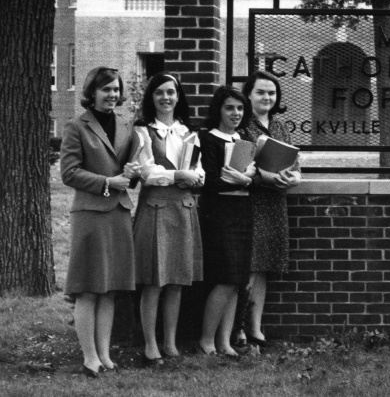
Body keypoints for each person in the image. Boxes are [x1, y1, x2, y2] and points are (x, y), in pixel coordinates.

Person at [60, 66, 136, 377]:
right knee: (88, 289)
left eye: (116, 90)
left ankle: (105, 354)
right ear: (92, 92)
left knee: (110, 289)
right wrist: (108, 182)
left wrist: (134, 173)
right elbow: (69, 173)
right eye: (106, 90)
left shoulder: (125, 124)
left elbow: (129, 166)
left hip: (119, 213)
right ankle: (89, 356)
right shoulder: (77, 126)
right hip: (90, 214)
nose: (113, 95)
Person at [129, 73, 204, 365]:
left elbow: (200, 171)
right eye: (159, 92)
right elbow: (147, 172)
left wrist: (194, 178)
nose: (166, 98)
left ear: (178, 96)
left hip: (184, 208)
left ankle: (170, 342)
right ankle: (150, 344)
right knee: (154, 281)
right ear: (151, 97)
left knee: (176, 280)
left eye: (171, 92)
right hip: (156, 209)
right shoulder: (143, 132)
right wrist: (179, 176)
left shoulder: (189, 132)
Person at [238, 70, 302, 347]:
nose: (267, 97)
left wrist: (293, 179)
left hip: (275, 203)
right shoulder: (241, 125)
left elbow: (295, 166)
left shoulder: (281, 127)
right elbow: (237, 169)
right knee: (248, 266)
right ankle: (238, 328)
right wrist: (267, 178)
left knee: (264, 267)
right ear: (249, 94)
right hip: (250, 202)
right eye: (261, 92)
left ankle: (255, 328)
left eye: (272, 93)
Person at [197, 87, 257, 357]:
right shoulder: (207, 139)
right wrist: (236, 180)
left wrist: (246, 179)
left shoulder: (244, 139)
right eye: (230, 108)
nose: (236, 114)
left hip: (242, 210)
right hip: (218, 213)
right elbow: (208, 182)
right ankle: (206, 340)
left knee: (238, 279)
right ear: (218, 110)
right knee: (224, 278)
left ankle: (225, 342)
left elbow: (249, 179)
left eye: (240, 109)